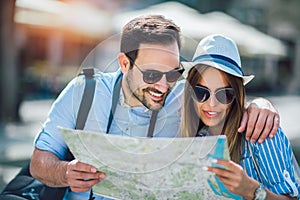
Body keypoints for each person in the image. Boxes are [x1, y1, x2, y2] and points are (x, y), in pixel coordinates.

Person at [30, 15, 279, 200]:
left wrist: (260, 105)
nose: (163, 85)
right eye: (151, 74)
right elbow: (39, 162)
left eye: (173, 73)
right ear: (124, 63)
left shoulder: (183, 95)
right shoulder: (83, 92)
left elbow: (223, 100)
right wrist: (65, 172)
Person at [181, 34, 299, 199]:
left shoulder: (261, 134)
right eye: (201, 92)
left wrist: (252, 190)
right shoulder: (188, 135)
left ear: (236, 95)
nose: (212, 104)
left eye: (224, 94)